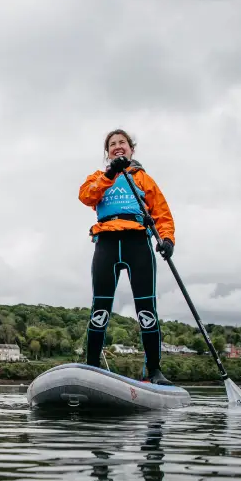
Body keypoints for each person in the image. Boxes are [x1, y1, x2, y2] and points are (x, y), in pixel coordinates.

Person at [78, 129, 175, 385]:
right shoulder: (98, 177)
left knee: (147, 311)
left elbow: (162, 214)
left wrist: (167, 240)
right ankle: (92, 368)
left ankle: (153, 371)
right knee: (100, 309)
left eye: (122, 143)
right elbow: (86, 196)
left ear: (131, 149)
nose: (118, 147)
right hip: (107, 242)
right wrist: (110, 175)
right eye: (112, 144)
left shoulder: (143, 179)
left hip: (137, 242)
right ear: (107, 152)